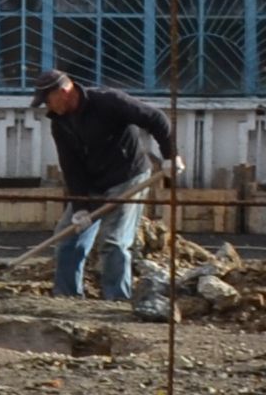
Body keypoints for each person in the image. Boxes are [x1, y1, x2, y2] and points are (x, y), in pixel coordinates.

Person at [30, 63, 173, 303]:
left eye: (48, 100)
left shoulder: (108, 102)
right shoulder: (60, 122)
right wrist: (80, 207)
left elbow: (156, 118)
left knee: (114, 242)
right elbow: (71, 166)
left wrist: (170, 155)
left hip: (127, 177)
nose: (47, 106)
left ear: (64, 91)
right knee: (68, 239)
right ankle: (67, 299)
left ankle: (116, 301)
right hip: (93, 182)